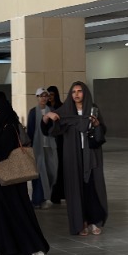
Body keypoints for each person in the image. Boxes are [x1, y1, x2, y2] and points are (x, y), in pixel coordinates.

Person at [0, 91, 48, 255]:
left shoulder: (10, 127)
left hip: (11, 181)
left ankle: (36, 247)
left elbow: (2, 151)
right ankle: (1, 251)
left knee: (18, 213)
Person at [49, 81, 109, 237]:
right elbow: (53, 127)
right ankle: (81, 222)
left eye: (79, 91)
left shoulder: (93, 108)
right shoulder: (66, 110)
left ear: (85, 93)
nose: (76, 94)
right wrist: (47, 116)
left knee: (92, 187)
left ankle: (94, 221)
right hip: (73, 155)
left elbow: (102, 130)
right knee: (77, 188)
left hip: (91, 154)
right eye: (73, 91)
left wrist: (96, 124)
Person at [26, 88, 58, 208]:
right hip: (37, 147)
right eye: (41, 96)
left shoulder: (52, 111)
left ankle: (46, 197)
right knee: (39, 174)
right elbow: (30, 130)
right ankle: (37, 199)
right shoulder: (33, 112)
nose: (44, 98)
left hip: (50, 146)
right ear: (37, 97)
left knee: (51, 172)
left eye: (46, 96)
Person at [46, 86, 66, 205]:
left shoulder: (61, 107)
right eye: (48, 95)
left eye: (52, 95)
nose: (50, 97)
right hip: (48, 141)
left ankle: (59, 194)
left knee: (60, 168)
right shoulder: (46, 109)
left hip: (60, 141)